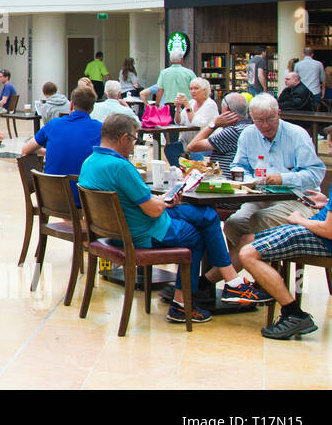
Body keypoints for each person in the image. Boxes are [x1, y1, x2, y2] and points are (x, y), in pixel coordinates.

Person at [78, 114, 246, 324]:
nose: (133, 146)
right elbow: (154, 211)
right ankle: (186, 302)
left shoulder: (90, 161)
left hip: (114, 231)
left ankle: (227, 282)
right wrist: (161, 202)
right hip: (142, 232)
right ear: (123, 138)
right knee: (196, 233)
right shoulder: (121, 167)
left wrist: (161, 201)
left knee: (205, 215)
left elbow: (142, 202)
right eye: (134, 140)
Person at [239, 122, 332, 340]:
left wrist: (301, 220)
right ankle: (211, 284)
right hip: (328, 235)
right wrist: (328, 203)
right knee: (247, 239)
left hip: (324, 240)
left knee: (248, 253)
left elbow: (329, 230)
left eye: (329, 148)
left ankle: (294, 314)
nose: (328, 153)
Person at [224, 93, 326, 273]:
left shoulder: (297, 135)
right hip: (261, 196)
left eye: (269, 119)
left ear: (279, 113)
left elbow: (315, 174)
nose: (264, 125)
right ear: (251, 118)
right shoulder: (248, 134)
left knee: (259, 220)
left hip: (298, 199)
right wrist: (249, 180)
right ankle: (244, 279)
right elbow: (238, 166)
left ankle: (265, 281)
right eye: (258, 120)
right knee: (233, 223)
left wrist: (283, 178)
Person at [21, 84, 101, 203]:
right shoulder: (100, 128)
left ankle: (70, 221)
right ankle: (74, 221)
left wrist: (50, 151)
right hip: (85, 198)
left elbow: (26, 150)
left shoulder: (54, 124)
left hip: (52, 197)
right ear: (92, 108)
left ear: (72, 105)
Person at [185, 92, 250, 170]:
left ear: (226, 111)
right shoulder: (248, 128)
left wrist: (214, 124)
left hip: (226, 178)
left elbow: (192, 146)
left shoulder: (233, 131)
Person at [168, 77, 218, 166]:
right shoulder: (192, 103)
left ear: (204, 90)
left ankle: (197, 174)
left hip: (207, 143)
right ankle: (179, 172)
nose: (193, 91)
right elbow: (179, 121)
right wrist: (178, 107)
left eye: (196, 88)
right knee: (169, 149)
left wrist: (187, 106)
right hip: (188, 142)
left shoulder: (210, 105)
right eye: (191, 89)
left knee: (195, 151)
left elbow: (197, 123)